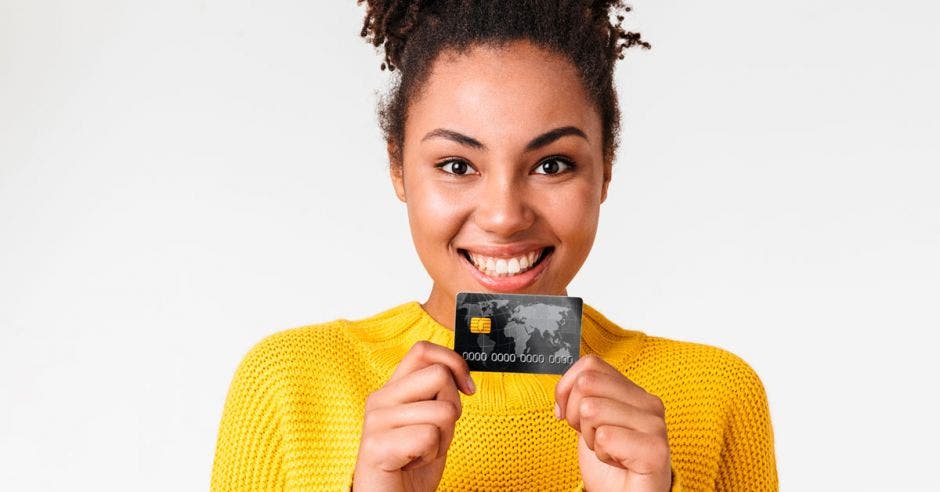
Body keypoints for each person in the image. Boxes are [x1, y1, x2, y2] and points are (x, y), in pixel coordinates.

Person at [210, 1, 778, 490]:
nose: (505, 217)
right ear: (398, 168)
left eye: (552, 165)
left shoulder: (715, 394)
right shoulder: (288, 385)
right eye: (457, 165)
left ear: (605, 170)